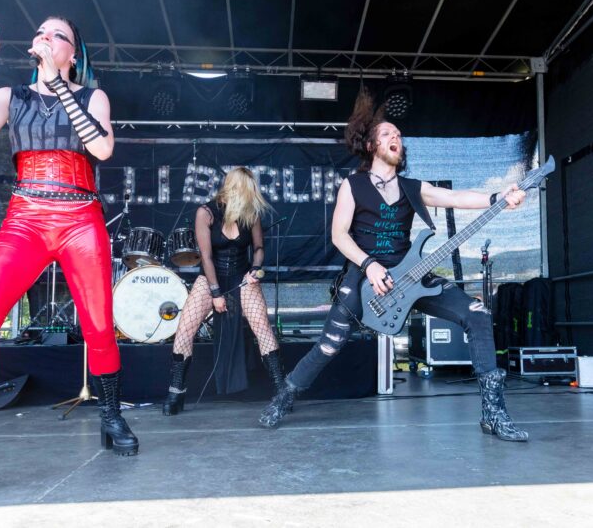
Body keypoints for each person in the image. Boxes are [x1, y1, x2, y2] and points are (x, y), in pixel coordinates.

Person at [0, 16, 137, 510]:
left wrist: (59, 84)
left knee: (99, 325)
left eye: (57, 34)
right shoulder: (11, 96)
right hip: (26, 218)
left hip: (80, 217)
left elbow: (101, 147)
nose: (45, 37)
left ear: (73, 53)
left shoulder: (93, 96)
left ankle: (111, 415)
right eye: (41, 32)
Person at [259, 91, 529, 442]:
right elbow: (339, 235)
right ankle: (284, 397)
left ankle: (494, 414)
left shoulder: (411, 187)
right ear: (371, 145)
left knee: (477, 314)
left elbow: (455, 197)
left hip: (411, 275)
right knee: (329, 344)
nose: (396, 137)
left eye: (399, 135)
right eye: (387, 133)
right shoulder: (353, 186)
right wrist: (369, 264)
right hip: (364, 277)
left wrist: (498, 198)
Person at [162, 167, 289, 415]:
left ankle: (282, 391)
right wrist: (216, 293)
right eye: (248, 190)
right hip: (211, 277)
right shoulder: (206, 213)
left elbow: (259, 248)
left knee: (262, 326)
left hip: (242, 276)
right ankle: (176, 392)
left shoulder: (250, 214)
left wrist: (255, 270)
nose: (253, 196)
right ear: (235, 189)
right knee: (185, 329)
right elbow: (206, 257)